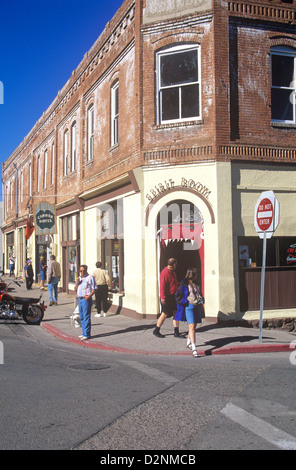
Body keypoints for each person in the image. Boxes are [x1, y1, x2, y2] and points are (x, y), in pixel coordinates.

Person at [175, 267, 204, 358]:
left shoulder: (196, 283)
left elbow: (199, 293)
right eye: (196, 274)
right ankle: (194, 349)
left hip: (197, 306)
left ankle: (188, 342)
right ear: (192, 275)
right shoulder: (184, 284)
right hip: (189, 307)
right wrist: (185, 302)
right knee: (191, 326)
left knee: (194, 327)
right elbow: (178, 296)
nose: (197, 276)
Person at [153, 258, 180, 338]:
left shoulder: (173, 273)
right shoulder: (165, 273)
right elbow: (162, 286)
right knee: (165, 313)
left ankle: (176, 331)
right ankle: (156, 330)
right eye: (176, 264)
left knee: (175, 312)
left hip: (173, 296)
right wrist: (163, 297)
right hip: (167, 296)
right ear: (174, 264)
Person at [74, 265, 96, 340]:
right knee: (82, 316)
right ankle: (84, 332)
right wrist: (77, 283)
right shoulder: (79, 278)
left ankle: (86, 334)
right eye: (81, 271)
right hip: (80, 299)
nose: (82, 272)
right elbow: (75, 289)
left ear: (86, 270)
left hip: (86, 299)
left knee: (86, 316)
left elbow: (95, 289)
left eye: (83, 271)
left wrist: (88, 296)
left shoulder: (90, 277)